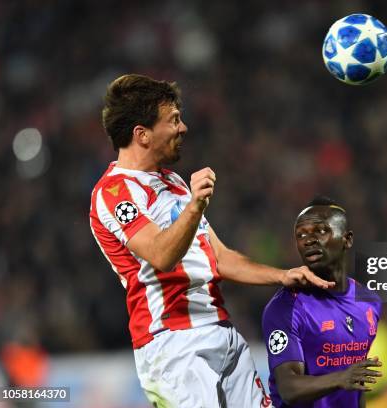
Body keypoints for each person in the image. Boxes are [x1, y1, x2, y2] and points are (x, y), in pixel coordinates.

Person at [89, 74, 334, 408]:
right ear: (141, 134)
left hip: (222, 332)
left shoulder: (173, 182)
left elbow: (217, 258)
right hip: (173, 346)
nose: (183, 127)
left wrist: (282, 275)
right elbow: (161, 255)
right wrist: (195, 205)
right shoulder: (114, 192)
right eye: (173, 120)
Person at [261, 196, 383, 407]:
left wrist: (349, 379)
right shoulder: (286, 307)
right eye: (301, 234)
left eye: (321, 230)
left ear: (348, 239)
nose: (309, 240)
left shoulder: (369, 302)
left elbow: (356, 383)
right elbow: (289, 388)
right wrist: (341, 378)